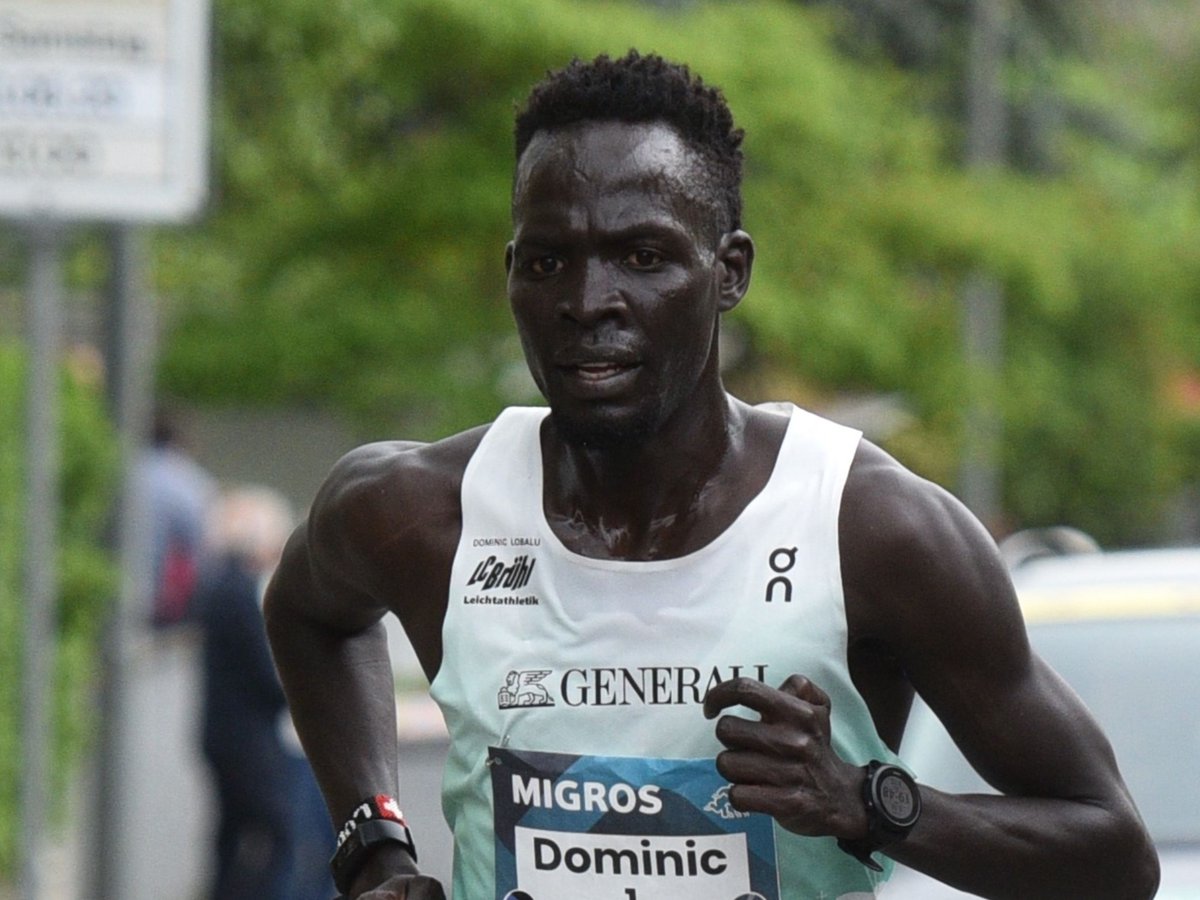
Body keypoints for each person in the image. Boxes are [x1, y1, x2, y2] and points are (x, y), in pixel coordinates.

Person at [263, 50, 1159, 900]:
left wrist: (868, 803)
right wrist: (372, 842)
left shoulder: (869, 529)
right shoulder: (422, 512)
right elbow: (307, 614)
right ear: (511, 276)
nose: (588, 302)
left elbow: (1113, 854)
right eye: (549, 262)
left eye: (643, 257)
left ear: (728, 272)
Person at [195, 486, 336, 900]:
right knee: (280, 832)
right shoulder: (239, 593)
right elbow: (266, 677)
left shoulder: (222, 585)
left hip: (226, 737)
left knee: (234, 835)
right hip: (247, 740)